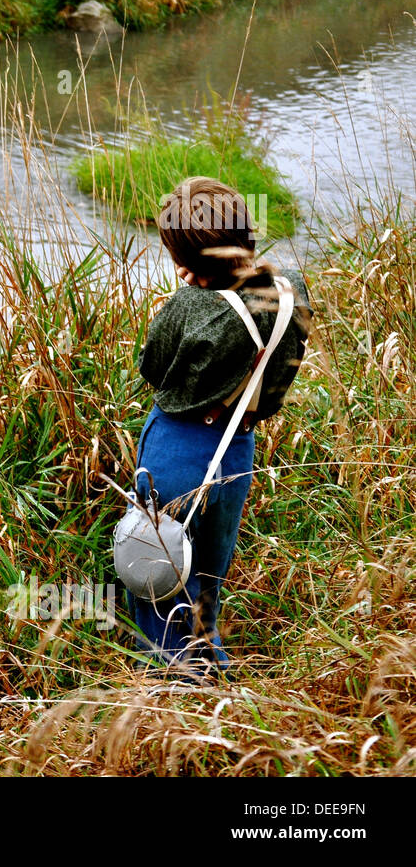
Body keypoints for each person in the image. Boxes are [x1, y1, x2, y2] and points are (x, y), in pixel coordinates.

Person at [132, 176, 313, 677]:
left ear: (189, 265)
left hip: (180, 450)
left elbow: (153, 371)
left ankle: (168, 686)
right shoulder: (288, 288)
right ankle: (213, 669)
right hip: (237, 449)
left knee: (156, 570)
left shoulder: (187, 307)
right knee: (209, 571)